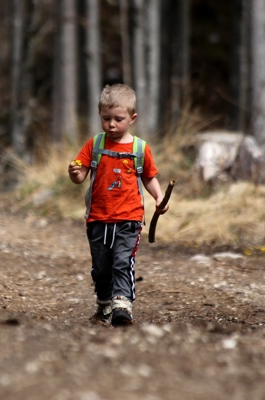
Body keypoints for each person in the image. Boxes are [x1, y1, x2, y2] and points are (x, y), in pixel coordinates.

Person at [68, 83, 169, 326]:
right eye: (106, 118)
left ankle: (122, 303)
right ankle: (104, 304)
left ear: (132, 118)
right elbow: (80, 177)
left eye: (118, 119)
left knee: (122, 261)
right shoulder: (95, 145)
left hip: (129, 218)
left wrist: (159, 197)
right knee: (101, 267)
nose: (111, 124)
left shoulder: (139, 149)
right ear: (100, 116)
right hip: (98, 218)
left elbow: (148, 177)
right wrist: (73, 172)